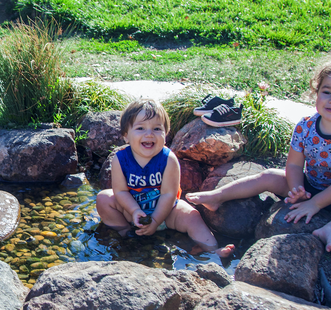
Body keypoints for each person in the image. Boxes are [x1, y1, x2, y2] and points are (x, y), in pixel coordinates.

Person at [186, 50, 331, 255]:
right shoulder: (306, 126)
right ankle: (217, 196)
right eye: (327, 92)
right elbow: (294, 165)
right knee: (270, 176)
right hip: (312, 185)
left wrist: (315, 204)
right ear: (316, 94)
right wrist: (297, 189)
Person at [96, 98, 235, 258]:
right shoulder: (120, 160)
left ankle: (211, 249)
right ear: (126, 136)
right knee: (104, 198)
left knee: (193, 217)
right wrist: (134, 211)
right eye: (140, 128)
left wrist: (155, 220)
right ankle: (125, 233)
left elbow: (169, 194)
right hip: (133, 211)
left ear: (166, 134)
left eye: (156, 128)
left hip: (168, 212)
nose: (149, 134)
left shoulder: (168, 159)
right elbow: (120, 192)